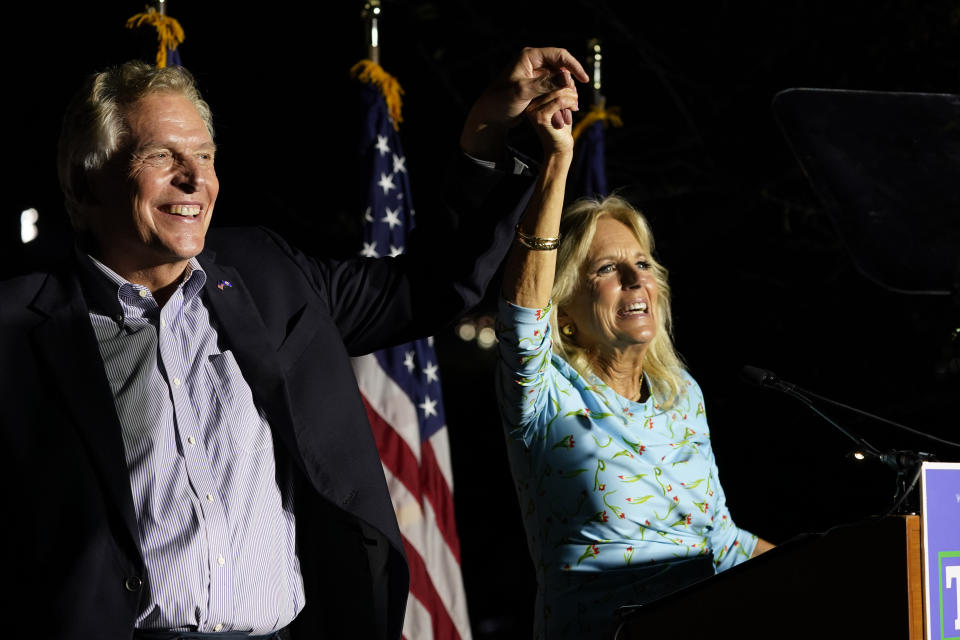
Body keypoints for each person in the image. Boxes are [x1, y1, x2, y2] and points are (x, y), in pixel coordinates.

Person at [0, 48, 589, 639]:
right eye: (161, 156)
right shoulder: (17, 328)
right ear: (85, 181)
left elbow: (430, 287)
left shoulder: (269, 276)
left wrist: (488, 131)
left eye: (205, 156)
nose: (195, 179)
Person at [496, 87, 774, 639]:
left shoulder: (681, 396)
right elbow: (521, 316)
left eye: (642, 263)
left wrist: (836, 565)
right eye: (606, 269)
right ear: (565, 307)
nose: (634, 278)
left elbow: (721, 542)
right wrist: (558, 161)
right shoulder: (547, 396)